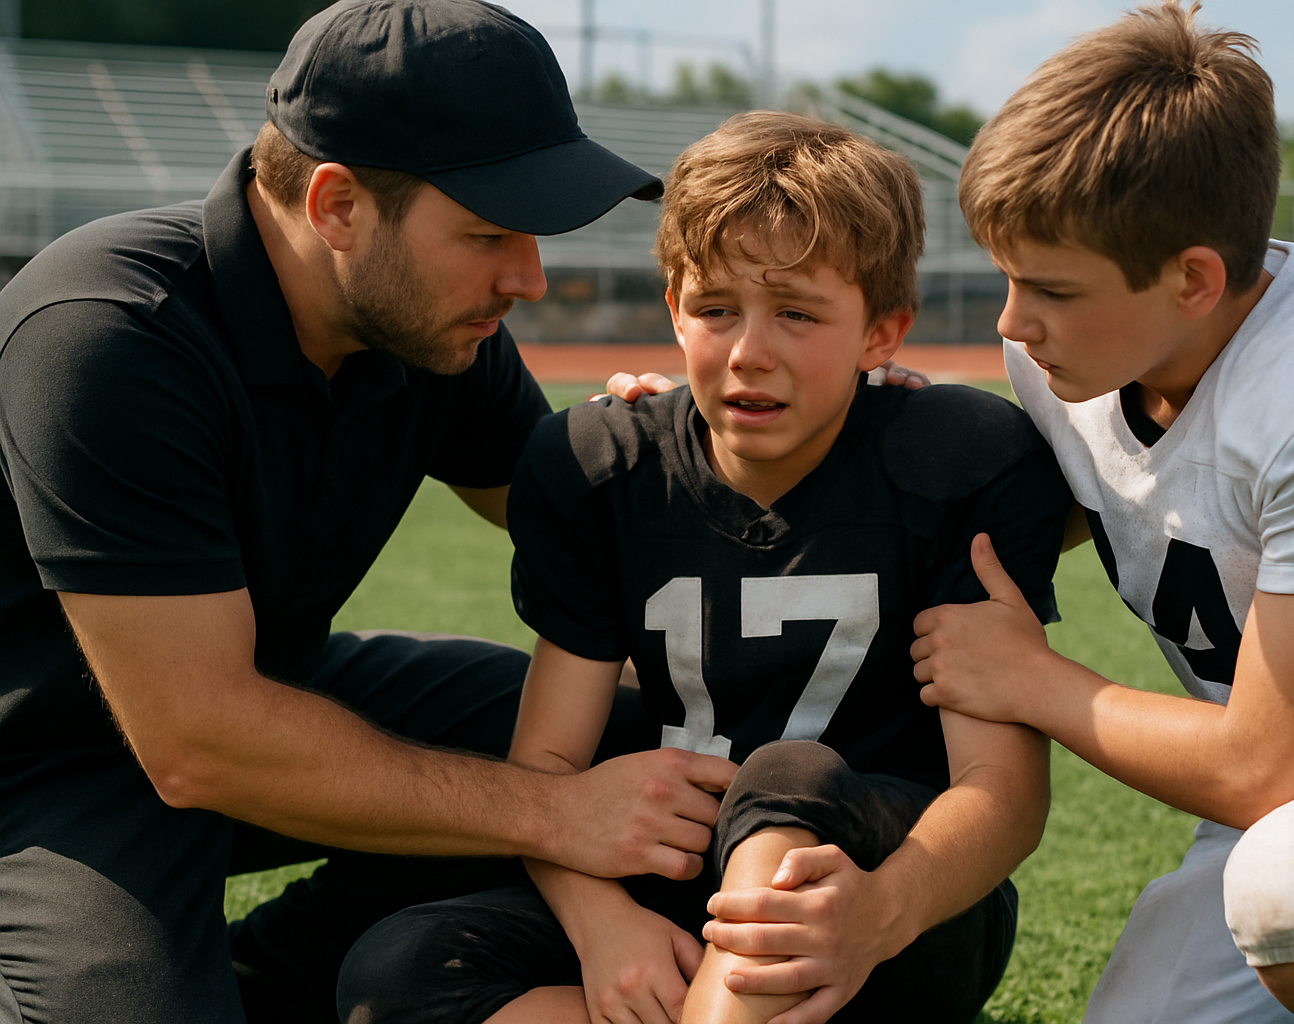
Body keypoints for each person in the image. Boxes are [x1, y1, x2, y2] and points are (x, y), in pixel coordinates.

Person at [0, 2, 740, 1022]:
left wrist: (795, 437)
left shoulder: (427, 321)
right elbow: (196, 741)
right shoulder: (111, 335)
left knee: (622, 733)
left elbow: (570, 520)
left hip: (256, 687)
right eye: (487, 232)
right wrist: (557, 814)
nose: (527, 277)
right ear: (338, 204)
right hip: (49, 762)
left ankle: (277, 975)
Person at [334, 111, 1071, 1024]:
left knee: (786, 772)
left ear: (883, 333)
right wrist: (605, 925)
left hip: (898, 898)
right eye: (717, 309)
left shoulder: (953, 457)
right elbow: (551, 766)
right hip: (677, 881)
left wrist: (881, 914)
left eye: (798, 313)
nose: (749, 351)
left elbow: (1000, 792)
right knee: (395, 977)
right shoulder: (599, 465)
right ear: (674, 306)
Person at [911, 3, 1294, 1023]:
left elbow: (1260, 765)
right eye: (1008, 276)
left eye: (1050, 289)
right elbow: (1081, 499)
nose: (1011, 322)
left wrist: (1034, 679)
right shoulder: (1070, 346)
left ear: (1193, 278)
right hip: (1283, 770)